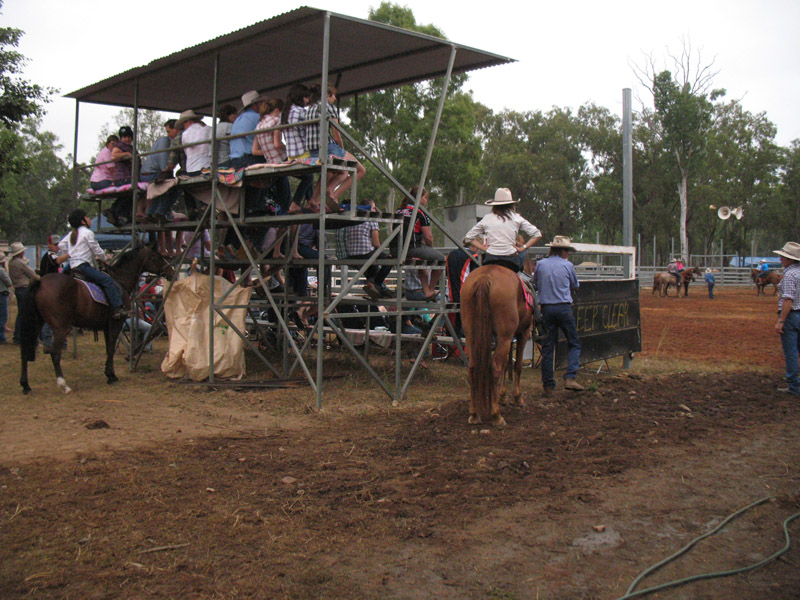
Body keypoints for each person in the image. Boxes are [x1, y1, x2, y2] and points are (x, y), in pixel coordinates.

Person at [534, 235, 582, 397]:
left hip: (546, 308)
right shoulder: (568, 265)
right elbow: (575, 285)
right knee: (574, 343)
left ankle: (548, 385)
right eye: (567, 251)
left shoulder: (540, 264)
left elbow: (535, 284)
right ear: (563, 251)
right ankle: (570, 376)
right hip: (563, 307)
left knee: (548, 347)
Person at [57, 209, 126, 320]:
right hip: (83, 266)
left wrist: (71, 253)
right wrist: (104, 258)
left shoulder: (71, 234)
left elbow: (61, 245)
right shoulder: (88, 233)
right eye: (87, 217)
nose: (89, 219)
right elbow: (96, 249)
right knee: (107, 281)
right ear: (83, 221)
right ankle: (118, 308)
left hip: (72, 266)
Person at [305, 83, 365, 209]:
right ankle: (333, 195)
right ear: (327, 94)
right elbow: (337, 134)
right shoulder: (328, 107)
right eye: (334, 96)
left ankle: (315, 200)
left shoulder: (309, 109)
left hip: (313, 151)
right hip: (328, 147)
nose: (335, 99)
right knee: (360, 170)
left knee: (334, 171)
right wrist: (341, 148)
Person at [462, 187, 541, 273]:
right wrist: (523, 248)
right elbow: (537, 234)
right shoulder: (516, 218)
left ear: (494, 205)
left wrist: (484, 249)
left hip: (490, 259)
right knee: (523, 275)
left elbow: (468, 237)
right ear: (511, 205)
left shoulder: (487, 218)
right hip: (510, 260)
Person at [392, 186, 445, 300]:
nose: (426, 201)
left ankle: (426, 290)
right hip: (412, 247)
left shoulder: (399, 210)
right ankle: (430, 289)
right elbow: (429, 236)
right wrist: (430, 247)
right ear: (419, 198)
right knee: (441, 259)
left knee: (421, 261)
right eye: (425, 198)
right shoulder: (420, 213)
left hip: (395, 248)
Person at [344, 204, 392, 300]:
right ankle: (375, 284)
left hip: (351, 254)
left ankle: (376, 287)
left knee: (372, 261)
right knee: (389, 260)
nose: (375, 210)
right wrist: (383, 252)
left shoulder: (352, 219)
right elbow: (376, 243)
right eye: (373, 208)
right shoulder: (371, 219)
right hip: (365, 254)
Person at [774, 242, 800, 395]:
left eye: (783, 256)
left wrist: (781, 320)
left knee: (791, 352)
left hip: (792, 316)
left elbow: (788, 299)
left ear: (790, 259)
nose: (780, 259)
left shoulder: (790, 275)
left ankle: (794, 387)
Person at [281, 84, 314, 206]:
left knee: (308, 176)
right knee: (310, 176)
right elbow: (310, 131)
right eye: (305, 97)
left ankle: (310, 200)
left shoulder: (285, 112)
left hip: (291, 154)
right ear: (299, 97)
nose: (307, 100)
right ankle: (296, 203)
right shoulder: (300, 111)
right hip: (302, 152)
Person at [8, 241, 40, 345]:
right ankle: (32, 340)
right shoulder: (20, 263)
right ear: (20, 253)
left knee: (21, 315)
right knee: (30, 314)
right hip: (25, 289)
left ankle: (17, 338)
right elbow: (32, 274)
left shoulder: (11, 263)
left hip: (18, 289)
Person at [0, 255, 12, 344]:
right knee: (3, 316)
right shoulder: (2, 270)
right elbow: (9, 282)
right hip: (2, 293)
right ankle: (2, 337)